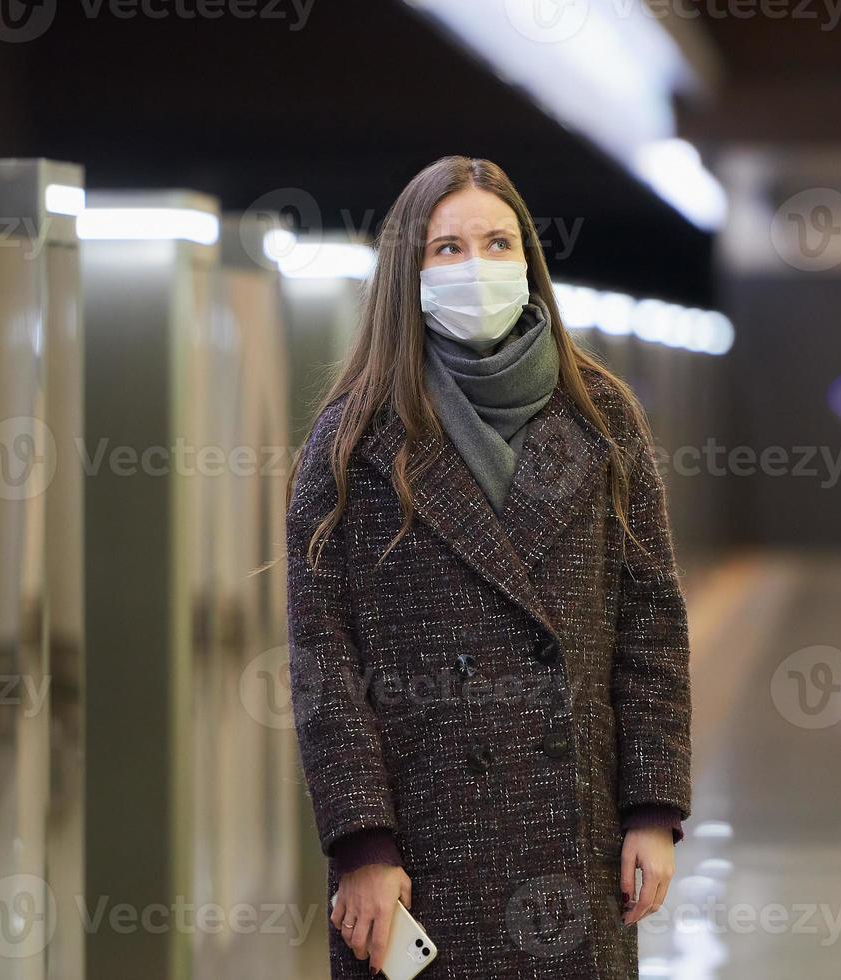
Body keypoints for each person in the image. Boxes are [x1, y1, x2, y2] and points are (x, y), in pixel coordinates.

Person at [285, 156, 692, 979]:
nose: (477, 266)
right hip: (418, 852)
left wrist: (651, 809)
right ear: (410, 271)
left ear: (528, 263)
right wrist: (363, 843)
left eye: (498, 242)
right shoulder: (354, 440)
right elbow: (324, 659)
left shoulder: (601, 415)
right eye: (448, 248)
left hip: (574, 839)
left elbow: (650, 623)